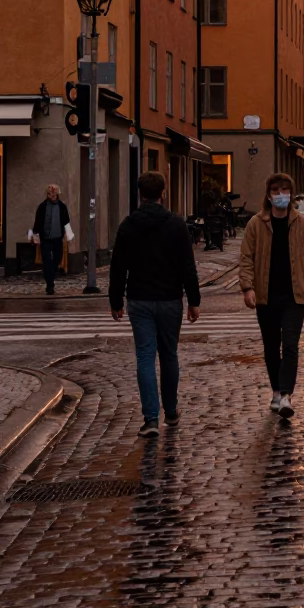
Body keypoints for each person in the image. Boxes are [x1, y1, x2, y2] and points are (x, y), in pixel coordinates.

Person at [109, 170, 201, 438]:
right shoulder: (176, 224)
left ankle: (150, 419)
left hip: (139, 300)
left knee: (145, 357)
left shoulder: (128, 225)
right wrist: (193, 301)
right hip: (170, 299)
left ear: (140, 194)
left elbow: (118, 268)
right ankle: (170, 411)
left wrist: (116, 300)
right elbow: (188, 266)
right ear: (163, 193)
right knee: (169, 354)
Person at [240, 172, 304, 420]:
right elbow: (246, 258)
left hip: (294, 295)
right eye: (276, 191)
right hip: (266, 295)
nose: (280, 195)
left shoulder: (302, 224)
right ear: (268, 195)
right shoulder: (256, 224)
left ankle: (286, 394)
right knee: (270, 346)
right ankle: (276, 391)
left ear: (291, 194)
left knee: (290, 345)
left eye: (285, 190)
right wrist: (248, 287)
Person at [31, 184, 73, 295]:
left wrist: (69, 236)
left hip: (57, 238)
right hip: (45, 238)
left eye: (55, 195)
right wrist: (35, 237)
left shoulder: (62, 207)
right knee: (46, 262)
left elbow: (66, 222)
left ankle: (51, 276)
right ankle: (50, 285)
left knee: (57, 259)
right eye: (51, 195)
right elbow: (37, 222)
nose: (54, 197)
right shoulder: (42, 207)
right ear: (48, 195)